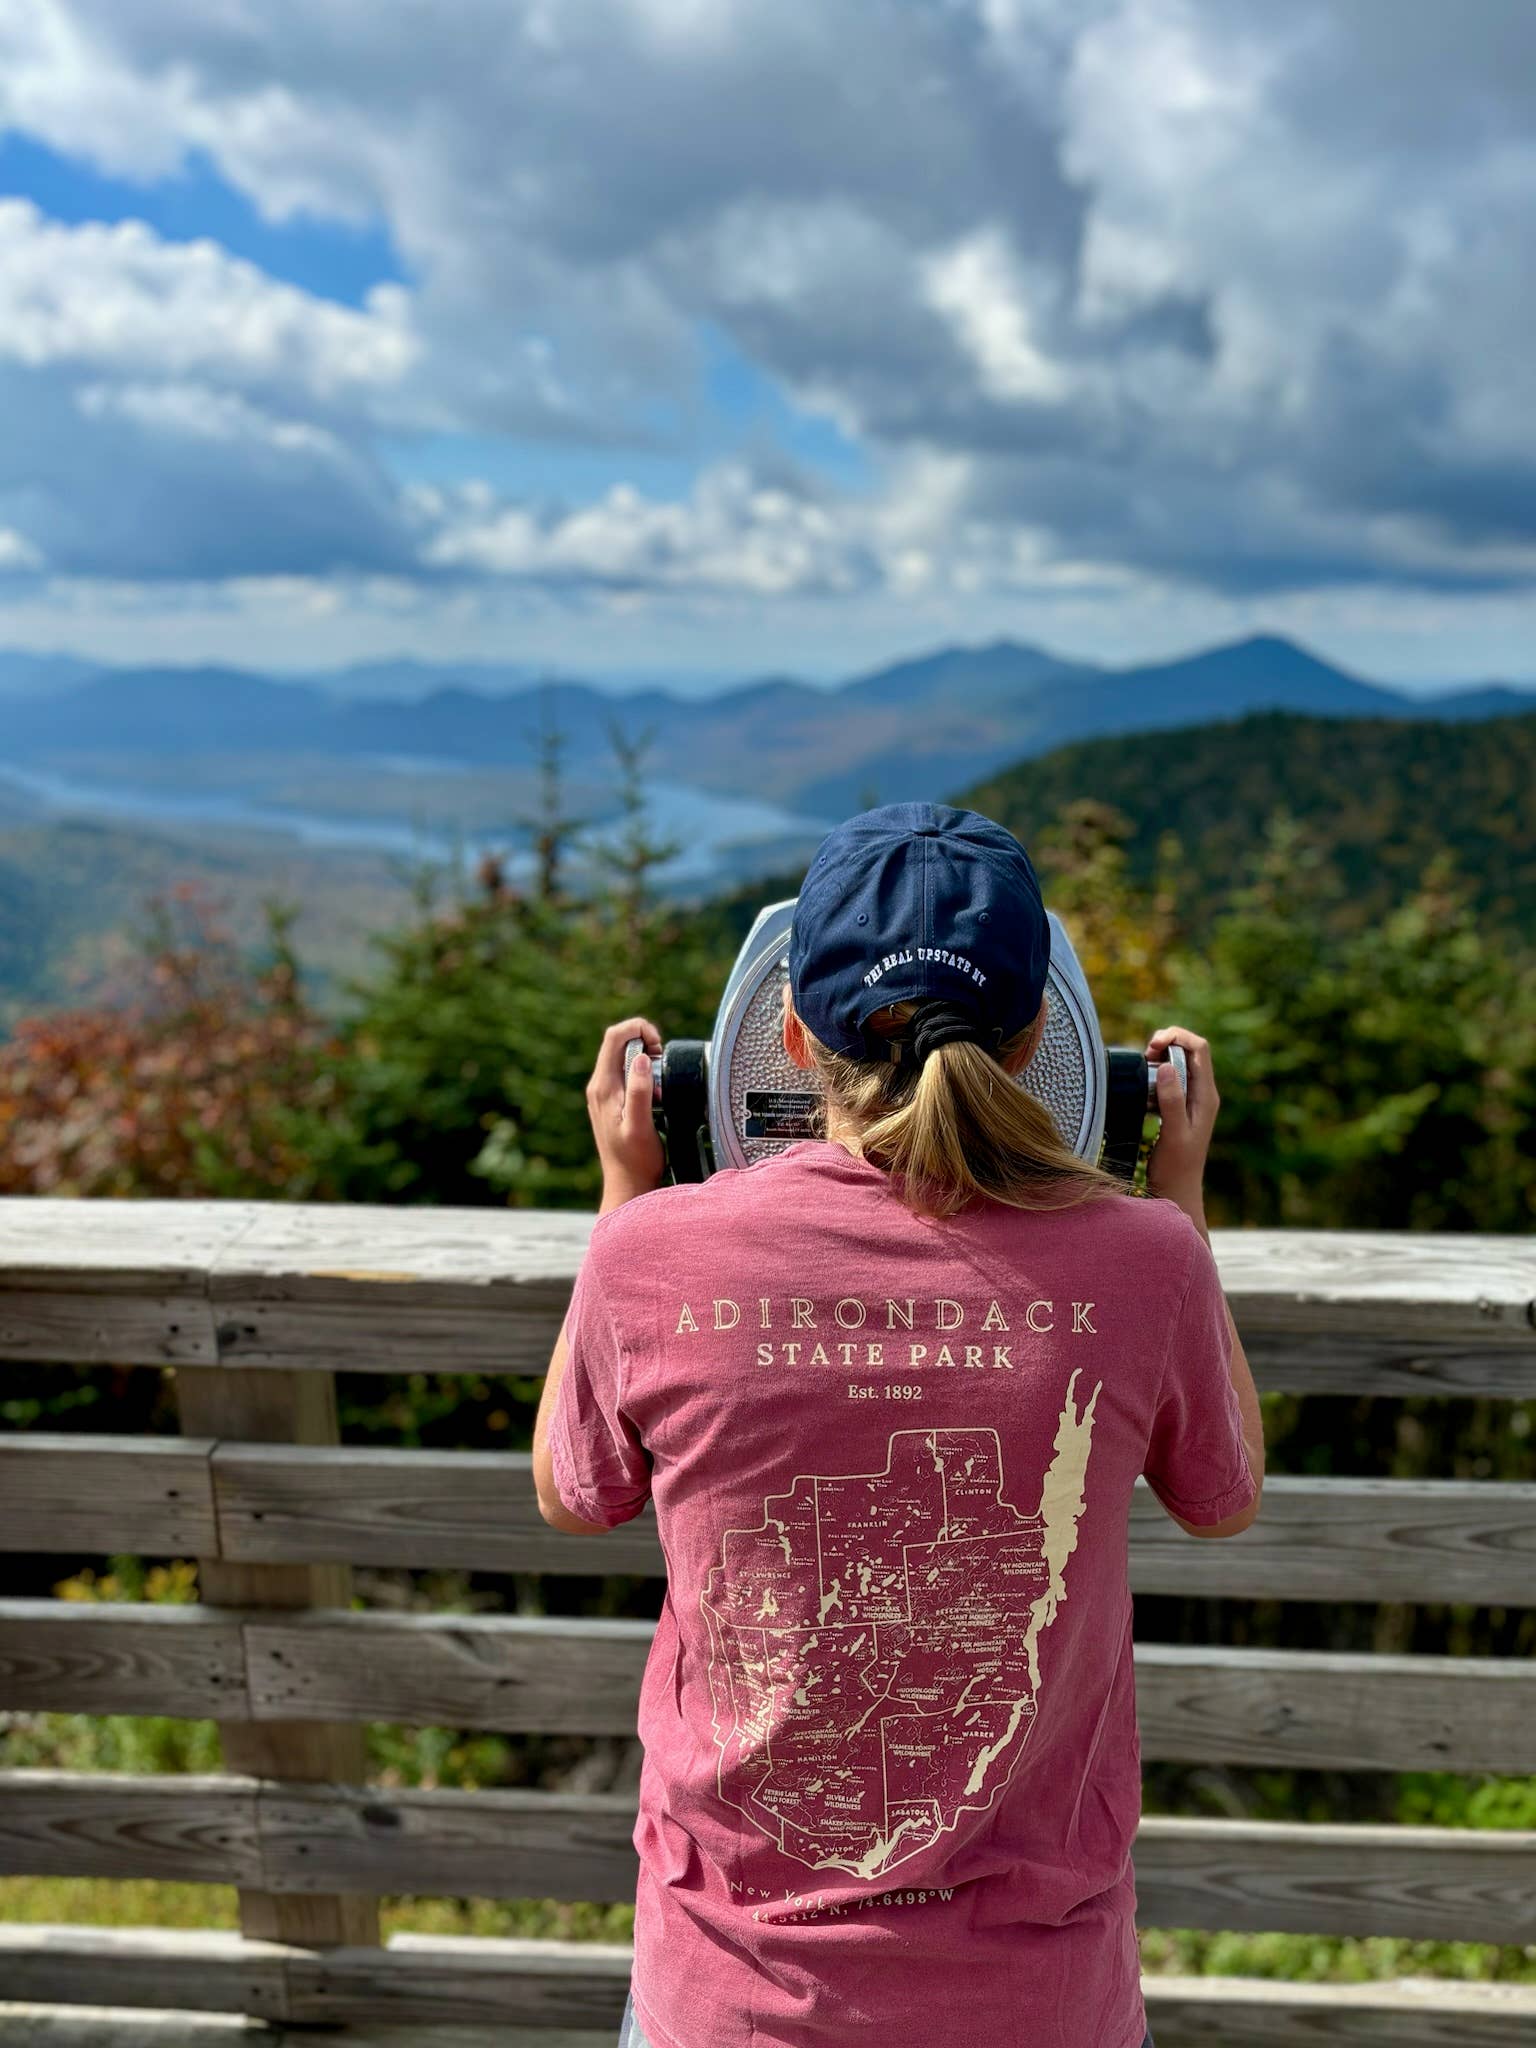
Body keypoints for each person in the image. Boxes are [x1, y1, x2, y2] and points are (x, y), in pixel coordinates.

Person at [534, 802, 1264, 2048]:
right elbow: (1221, 1490)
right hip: (1039, 2003)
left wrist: (626, 1193)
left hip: (733, 1991)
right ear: (1043, 1035)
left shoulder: (652, 1254)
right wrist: (1179, 1199)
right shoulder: (1147, 1261)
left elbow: (576, 1487)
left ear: (785, 1028)